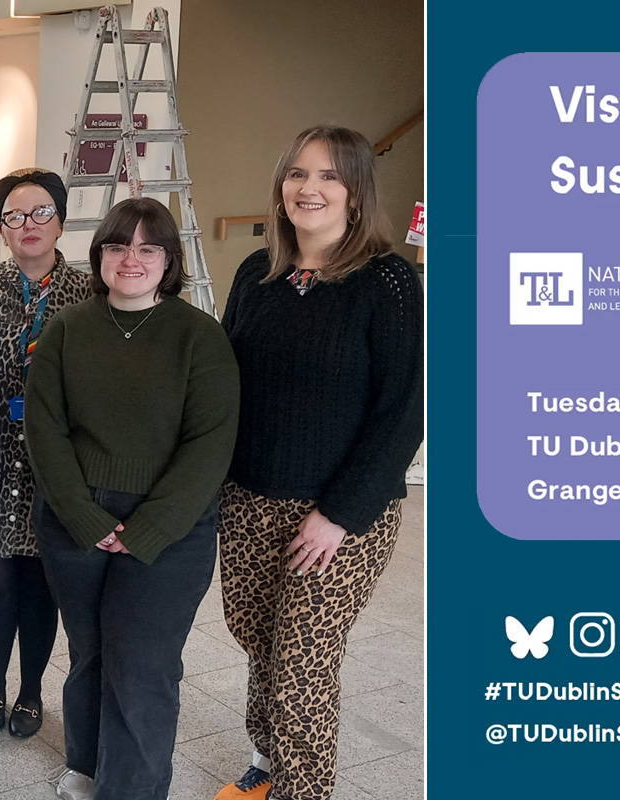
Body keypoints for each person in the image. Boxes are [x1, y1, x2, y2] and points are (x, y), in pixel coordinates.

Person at [211, 126, 422, 800]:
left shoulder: (386, 282)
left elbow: (406, 410)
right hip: (248, 498)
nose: (309, 188)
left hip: (338, 513)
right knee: (258, 637)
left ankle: (303, 791)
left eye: (329, 176)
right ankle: (267, 761)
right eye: (297, 173)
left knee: (302, 660)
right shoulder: (256, 273)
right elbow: (220, 382)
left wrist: (337, 515)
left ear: (356, 194)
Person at [26, 197, 240, 800]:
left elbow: (209, 444)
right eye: (118, 245)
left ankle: (133, 790)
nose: (131, 259)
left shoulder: (200, 336)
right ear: (99, 256)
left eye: (148, 248)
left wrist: (145, 530)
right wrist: (84, 515)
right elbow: (45, 431)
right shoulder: (67, 329)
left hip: (171, 528)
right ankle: (89, 764)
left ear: (169, 260)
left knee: (142, 662)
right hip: (77, 519)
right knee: (90, 649)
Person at [0, 168, 91, 741]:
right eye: (14, 216)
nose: (28, 225)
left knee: (40, 587)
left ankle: (32, 691)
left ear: (60, 220)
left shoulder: (89, 293)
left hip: (55, 468)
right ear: (0, 227)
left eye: (40, 213)